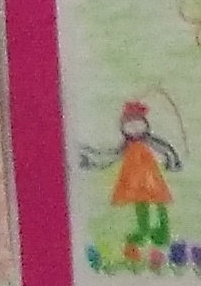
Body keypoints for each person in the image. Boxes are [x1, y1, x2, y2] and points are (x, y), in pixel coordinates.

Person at [76, 100, 180, 248]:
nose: (134, 128)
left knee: (159, 201)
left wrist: (173, 162)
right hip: (134, 181)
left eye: (138, 123)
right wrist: (91, 161)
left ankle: (163, 230)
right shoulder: (126, 145)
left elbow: (165, 149)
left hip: (151, 179)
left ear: (145, 124)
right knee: (140, 204)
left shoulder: (149, 141)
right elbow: (111, 156)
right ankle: (143, 230)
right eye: (130, 124)